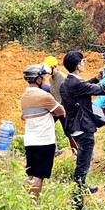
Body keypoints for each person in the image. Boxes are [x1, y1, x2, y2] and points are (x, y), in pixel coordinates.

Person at [60, 50, 105, 207]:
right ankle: (77, 204)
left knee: (85, 158)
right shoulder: (76, 83)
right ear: (78, 65)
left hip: (75, 126)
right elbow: (103, 90)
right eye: (83, 61)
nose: (84, 63)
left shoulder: (66, 82)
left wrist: (97, 78)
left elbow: (84, 87)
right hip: (83, 127)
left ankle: (82, 187)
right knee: (82, 165)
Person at [21, 64, 66, 199]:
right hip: (44, 141)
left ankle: (25, 202)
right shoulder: (45, 96)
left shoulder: (24, 97)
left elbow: (24, 116)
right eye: (43, 78)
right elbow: (61, 111)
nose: (45, 80)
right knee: (39, 175)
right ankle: (33, 204)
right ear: (38, 79)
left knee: (30, 173)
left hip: (29, 140)